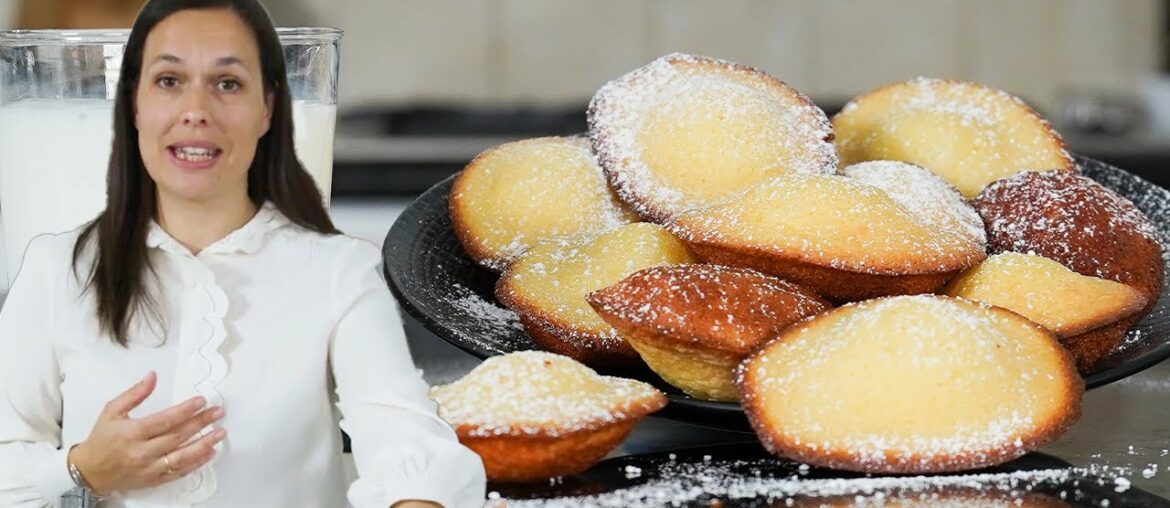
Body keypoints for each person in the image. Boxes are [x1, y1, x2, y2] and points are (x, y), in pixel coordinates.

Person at [0, 0, 487, 506]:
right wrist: (81, 468)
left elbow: (403, 438)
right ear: (131, 104)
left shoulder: (338, 270)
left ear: (268, 108)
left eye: (228, 83)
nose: (196, 110)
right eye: (168, 80)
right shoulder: (57, 269)